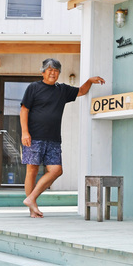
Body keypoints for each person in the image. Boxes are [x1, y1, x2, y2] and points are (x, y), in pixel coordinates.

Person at [20, 58, 105, 217]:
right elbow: (24, 110)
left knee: (56, 170)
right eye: (50, 69)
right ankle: (32, 209)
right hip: (34, 137)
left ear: (59, 73)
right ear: (43, 72)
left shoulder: (62, 90)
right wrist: (25, 132)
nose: (53, 73)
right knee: (32, 170)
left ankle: (31, 198)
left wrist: (89, 81)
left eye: (56, 70)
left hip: (53, 138)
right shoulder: (34, 88)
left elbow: (81, 91)